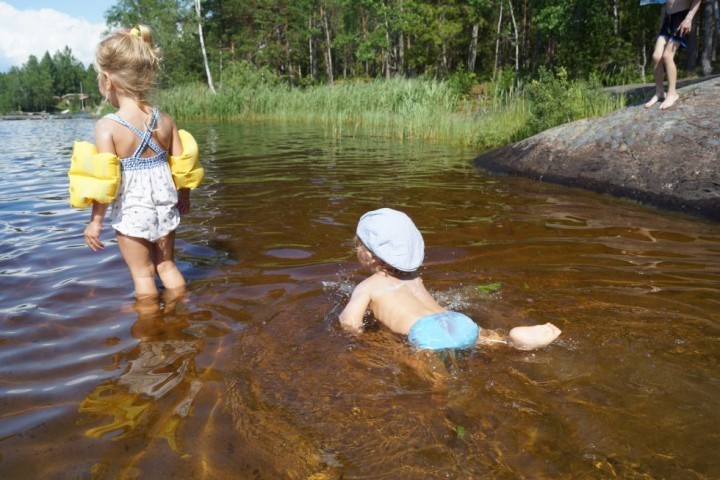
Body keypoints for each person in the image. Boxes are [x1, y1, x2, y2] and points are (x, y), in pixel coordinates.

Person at [70, 25, 203, 299]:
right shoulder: (165, 121)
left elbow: (106, 180)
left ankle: (149, 326)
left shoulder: (108, 126)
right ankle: (182, 312)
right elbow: (183, 164)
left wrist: (95, 221)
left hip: (133, 211)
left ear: (108, 80)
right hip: (165, 206)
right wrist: (185, 195)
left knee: (142, 275)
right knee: (166, 265)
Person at [339, 208, 561, 351]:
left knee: (432, 370)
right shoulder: (415, 278)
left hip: (424, 333)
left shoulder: (367, 286)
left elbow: (350, 322)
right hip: (455, 320)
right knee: (483, 339)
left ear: (367, 254)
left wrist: (362, 339)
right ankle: (512, 340)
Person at [644, 0, 701, 110]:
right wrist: (661, 25)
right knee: (656, 56)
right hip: (667, 19)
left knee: (667, 56)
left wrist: (688, 18)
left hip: (682, 18)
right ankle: (659, 92)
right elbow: (664, 4)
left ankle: (672, 94)